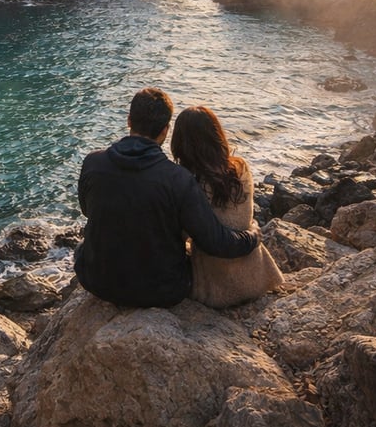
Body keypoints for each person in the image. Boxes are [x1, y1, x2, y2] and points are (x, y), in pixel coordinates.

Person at [73, 87, 261, 308]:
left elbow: (88, 210)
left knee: (80, 249)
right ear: (165, 130)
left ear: (129, 120)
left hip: (96, 281)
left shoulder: (93, 162)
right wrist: (252, 235)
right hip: (162, 291)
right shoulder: (178, 179)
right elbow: (216, 243)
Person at [171, 106, 284, 308]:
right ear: (217, 135)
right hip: (255, 277)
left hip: (217, 289)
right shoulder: (241, 168)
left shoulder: (189, 181)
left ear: (180, 143)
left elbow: (187, 234)